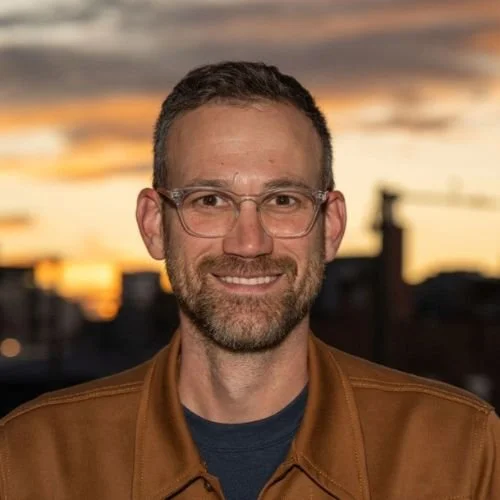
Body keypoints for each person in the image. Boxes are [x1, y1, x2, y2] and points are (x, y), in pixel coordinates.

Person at [0, 61, 498, 500]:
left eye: (282, 200)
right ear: (154, 225)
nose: (248, 243)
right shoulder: (31, 458)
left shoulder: (462, 452)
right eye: (209, 200)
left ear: (331, 227)